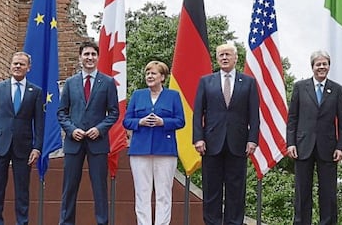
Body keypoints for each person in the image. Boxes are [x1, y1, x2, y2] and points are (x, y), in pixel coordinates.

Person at [192, 44, 259, 225]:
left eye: (228, 54)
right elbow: (198, 112)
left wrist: (252, 139)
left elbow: (254, 114)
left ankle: (234, 222)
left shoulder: (248, 82)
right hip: (211, 143)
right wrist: (198, 138)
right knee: (211, 189)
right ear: (217, 58)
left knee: (236, 190)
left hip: (238, 144)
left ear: (236, 57)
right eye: (221, 55)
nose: (224, 58)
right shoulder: (207, 81)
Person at [57, 41, 120, 225]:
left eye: (93, 54)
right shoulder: (70, 83)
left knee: (100, 188)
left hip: (97, 143)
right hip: (73, 143)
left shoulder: (107, 82)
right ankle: (66, 222)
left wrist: (99, 129)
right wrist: (71, 129)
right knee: (69, 188)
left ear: (98, 58)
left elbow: (114, 112)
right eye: (86, 54)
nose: (90, 58)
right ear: (80, 58)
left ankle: (102, 222)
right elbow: (62, 112)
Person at [286, 50, 342, 225]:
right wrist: (291, 143)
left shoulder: (337, 89)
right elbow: (292, 118)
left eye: (324, 64)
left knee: (328, 193)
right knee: (302, 191)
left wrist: (340, 147)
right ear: (312, 67)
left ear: (329, 66)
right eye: (318, 64)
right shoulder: (300, 87)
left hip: (328, 148)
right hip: (302, 146)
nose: (321, 67)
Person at [0, 51, 44, 225]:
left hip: (24, 147)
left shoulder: (36, 92)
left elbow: (39, 123)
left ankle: (22, 222)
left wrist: (37, 147)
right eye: (15, 63)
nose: (18, 66)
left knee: (22, 190)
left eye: (22, 64)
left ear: (28, 68)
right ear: (10, 65)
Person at [123, 61, 185, 225]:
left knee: (163, 194)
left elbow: (181, 121)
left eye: (153, 73)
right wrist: (140, 122)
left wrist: (163, 122)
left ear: (162, 77)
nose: (149, 76)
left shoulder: (173, 96)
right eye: (147, 73)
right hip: (140, 150)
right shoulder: (138, 95)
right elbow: (126, 121)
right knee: (142, 193)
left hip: (165, 150)